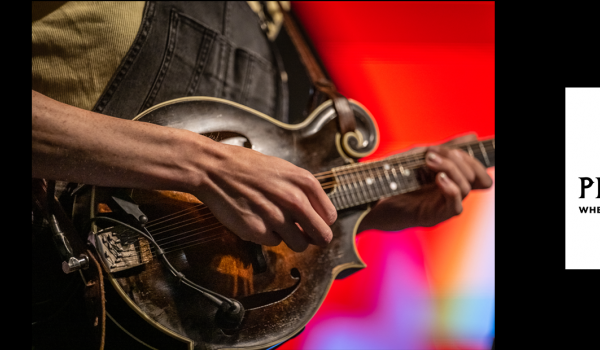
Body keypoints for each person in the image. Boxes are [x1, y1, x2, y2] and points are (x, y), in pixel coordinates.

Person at [32, 2, 492, 349]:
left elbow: (228, 217)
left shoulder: (281, 28)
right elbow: (219, 175)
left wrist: (359, 207)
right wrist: (203, 165)